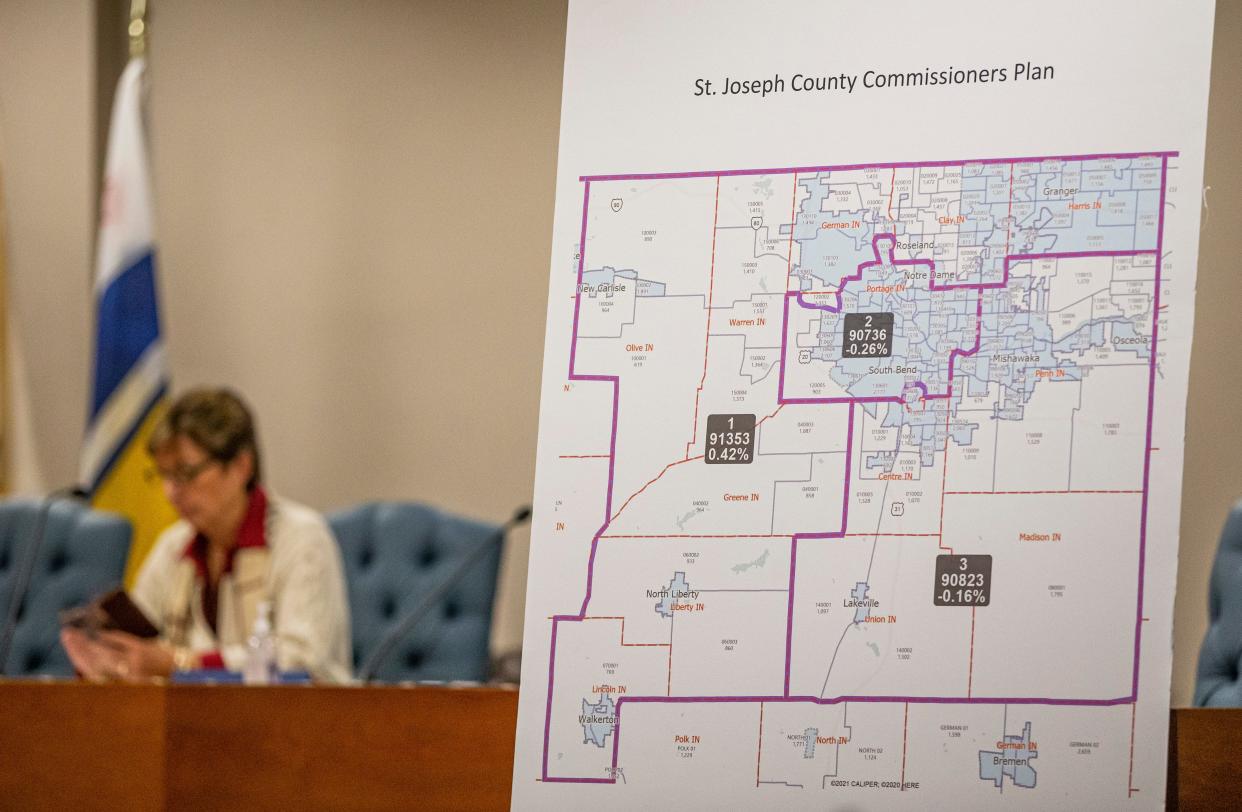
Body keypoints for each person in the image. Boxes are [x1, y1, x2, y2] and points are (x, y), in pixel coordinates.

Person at [61, 387, 352, 683]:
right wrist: (111, 655)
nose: (171, 492)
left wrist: (182, 662)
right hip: (195, 722)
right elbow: (144, 645)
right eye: (164, 475)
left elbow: (300, 657)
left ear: (241, 466)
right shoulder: (174, 545)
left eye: (186, 473)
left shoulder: (301, 538)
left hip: (300, 722)